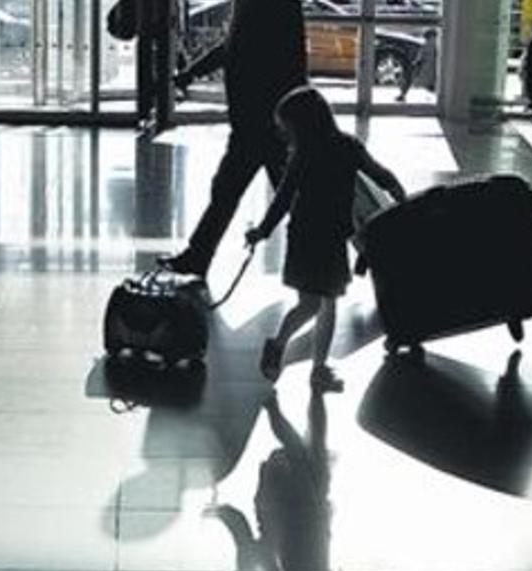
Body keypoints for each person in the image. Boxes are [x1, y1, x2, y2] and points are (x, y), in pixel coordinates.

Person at [244, 87, 406, 390]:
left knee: (317, 304)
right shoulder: (347, 146)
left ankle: (311, 364)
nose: (284, 135)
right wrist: (396, 189)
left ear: (302, 125)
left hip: (307, 238)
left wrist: (262, 231)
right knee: (321, 305)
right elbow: (377, 172)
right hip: (329, 239)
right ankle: (290, 351)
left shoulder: (303, 155)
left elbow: (283, 199)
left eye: (286, 127)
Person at [157, 0, 307, 277]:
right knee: (284, 197)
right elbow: (234, 48)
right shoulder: (263, 8)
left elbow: (238, 50)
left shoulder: (264, 8)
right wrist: (192, 72)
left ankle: (199, 256)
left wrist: (192, 72)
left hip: (261, 123)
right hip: (264, 123)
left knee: (235, 192)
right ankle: (332, 257)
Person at [396, 28, 438, 102]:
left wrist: (415, 62)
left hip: (424, 69)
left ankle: (402, 94)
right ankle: (403, 94)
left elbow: (420, 58)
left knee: (409, 77)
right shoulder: (431, 44)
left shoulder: (427, 45)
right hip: (428, 70)